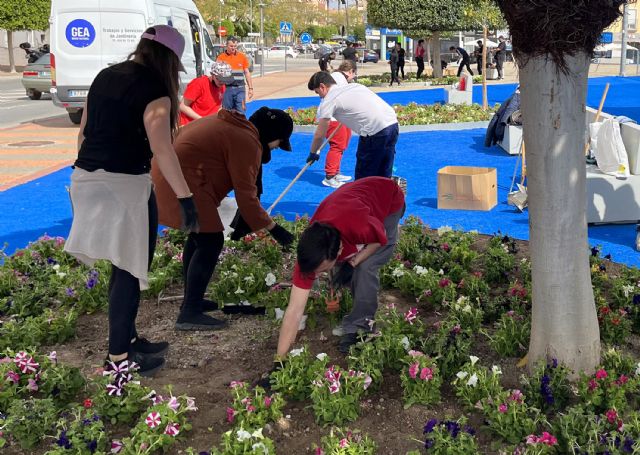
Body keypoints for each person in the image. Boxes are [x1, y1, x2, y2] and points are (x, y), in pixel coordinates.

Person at [64, 25, 199, 376]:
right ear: (170, 60)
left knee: (124, 267)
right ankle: (119, 360)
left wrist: (94, 175)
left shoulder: (105, 75)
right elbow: (162, 150)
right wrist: (186, 199)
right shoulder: (155, 90)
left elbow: (83, 134)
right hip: (124, 185)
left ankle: (129, 338)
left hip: (87, 178)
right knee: (129, 269)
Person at [152, 107, 295, 330]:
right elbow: (246, 196)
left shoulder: (237, 128)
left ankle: (193, 301)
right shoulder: (247, 141)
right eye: (278, 142)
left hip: (172, 175)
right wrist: (274, 228)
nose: (275, 148)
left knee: (200, 237)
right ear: (270, 134)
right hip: (182, 181)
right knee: (211, 241)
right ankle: (190, 312)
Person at [273, 176, 405, 358]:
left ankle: (360, 327)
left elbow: (377, 241)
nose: (316, 275)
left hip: (387, 198)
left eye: (321, 270)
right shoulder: (311, 252)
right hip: (349, 202)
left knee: (365, 268)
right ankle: (349, 288)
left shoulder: (361, 226)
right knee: (344, 270)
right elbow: (294, 310)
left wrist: (354, 261)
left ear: (340, 249)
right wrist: (279, 361)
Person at [306, 71, 399, 180]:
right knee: (384, 172)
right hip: (392, 124)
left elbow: (319, 135)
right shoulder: (355, 86)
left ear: (322, 87)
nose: (319, 97)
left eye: (317, 92)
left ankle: (366, 195)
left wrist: (313, 153)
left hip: (374, 132)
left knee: (364, 176)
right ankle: (384, 194)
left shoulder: (329, 100)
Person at [321, 60, 357, 189]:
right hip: (333, 118)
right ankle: (330, 176)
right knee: (337, 146)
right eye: (354, 75)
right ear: (351, 71)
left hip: (340, 117)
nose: (353, 78)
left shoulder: (339, 78)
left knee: (342, 145)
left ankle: (335, 172)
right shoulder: (339, 78)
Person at [216, 36, 254, 114]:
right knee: (227, 114)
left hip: (240, 89)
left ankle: (241, 126)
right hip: (227, 90)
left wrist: (250, 88)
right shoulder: (221, 57)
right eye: (231, 46)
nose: (233, 48)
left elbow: (247, 72)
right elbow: (216, 74)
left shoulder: (242, 57)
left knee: (241, 112)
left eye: (235, 46)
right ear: (226, 45)